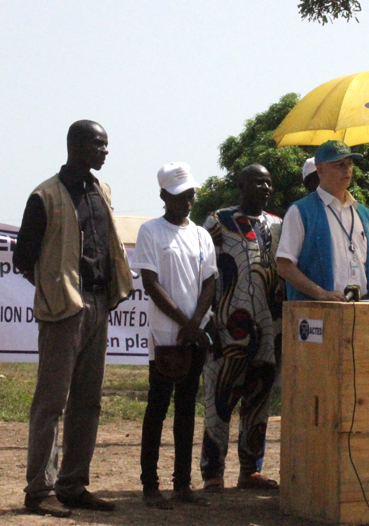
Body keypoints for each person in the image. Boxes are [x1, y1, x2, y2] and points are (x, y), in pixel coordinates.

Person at [12, 120, 132, 517]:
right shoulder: (44, 196)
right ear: (76, 146)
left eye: (106, 145)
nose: (105, 151)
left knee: (89, 401)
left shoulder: (102, 192)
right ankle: (39, 490)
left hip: (100, 304)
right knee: (51, 403)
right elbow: (23, 259)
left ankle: (73, 484)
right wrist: (54, 290)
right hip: (64, 310)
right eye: (99, 144)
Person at [132, 162, 217, 509]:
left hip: (192, 337)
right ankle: (150, 485)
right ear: (164, 195)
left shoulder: (201, 235)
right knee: (157, 408)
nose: (188, 199)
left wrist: (196, 323)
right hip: (166, 336)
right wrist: (185, 323)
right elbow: (151, 283)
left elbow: (210, 281)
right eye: (181, 194)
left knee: (185, 410)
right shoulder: (150, 232)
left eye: (191, 193)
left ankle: (182, 483)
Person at [200, 164, 284, 492]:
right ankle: (212, 472)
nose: (264, 187)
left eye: (268, 182)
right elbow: (204, 272)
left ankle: (250, 470)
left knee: (258, 401)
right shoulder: (218, 221)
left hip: (269, 330)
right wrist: (207, 321)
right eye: (257, 182)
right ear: (240, 184)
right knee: (219, 401)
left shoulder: (279, 225)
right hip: (227, 330)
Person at [276, 140, 369, 301]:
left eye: (349, 164)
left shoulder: (362, 213)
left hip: (362, 307)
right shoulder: (301, 211)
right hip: (320, 313)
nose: (347, 170)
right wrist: (320, 293)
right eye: (340, 164)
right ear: (321, 169)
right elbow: (284, 266)